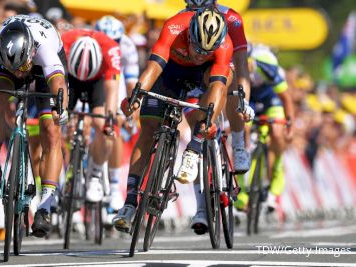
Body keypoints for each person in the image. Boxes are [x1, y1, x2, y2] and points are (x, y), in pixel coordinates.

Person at [113, 7, 233, 234]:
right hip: (169, 73)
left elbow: (217, 84)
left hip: (203, 78)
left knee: (223, 81)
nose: (199, 55)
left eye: (206, 51)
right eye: (197, 48)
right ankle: (129, 202)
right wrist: (136, 96)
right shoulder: (174, 27)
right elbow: (153, 67)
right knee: (148, 130)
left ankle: (194, 148)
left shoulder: (224, 44)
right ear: (189, 35)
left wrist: (206, 123)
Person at [0, 15, 69, 238]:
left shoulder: (43, 47)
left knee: (51, 130)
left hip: (43, 70)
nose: (19, 75)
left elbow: (58, 83)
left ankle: (46, 204)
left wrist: (60, 107)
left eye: (21, 68)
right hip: (12, 58)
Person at [185, 0, 255, 174]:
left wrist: (244, 101)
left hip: (223, 64)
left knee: (231, 83)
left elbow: (241, 63)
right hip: (195, 66)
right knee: (195, 121)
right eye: (193, 10)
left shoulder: (232, 18)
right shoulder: (182, 17)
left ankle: (239, 146)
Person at [61, 28, 121, 204]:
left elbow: (112, 90)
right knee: (55, 119)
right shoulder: (63, 42)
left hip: (98, 81)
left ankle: (95, 175)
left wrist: (108, 122)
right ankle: (56, 180)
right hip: (69, 78)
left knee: (104, 125)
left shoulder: (111, 49)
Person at [235, 44, 295, 212]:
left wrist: (289, 125)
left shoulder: (265, 64)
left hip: (271, 99)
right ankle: (241, 191)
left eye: (245, 63)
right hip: (249, 99)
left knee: (276, 132)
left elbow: (286, 98)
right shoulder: (233, 68)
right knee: (241, 133)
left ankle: (276, 174)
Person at [94, 15, 140, 213]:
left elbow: (131, 86)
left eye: (115, 41)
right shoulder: (88, 42)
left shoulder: (128, 47)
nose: (110, 45)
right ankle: (79, 176)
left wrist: (131, 114)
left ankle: (113, 185)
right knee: (87, 124)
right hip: (91, 77)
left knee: (115, 127)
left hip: (115, 81)